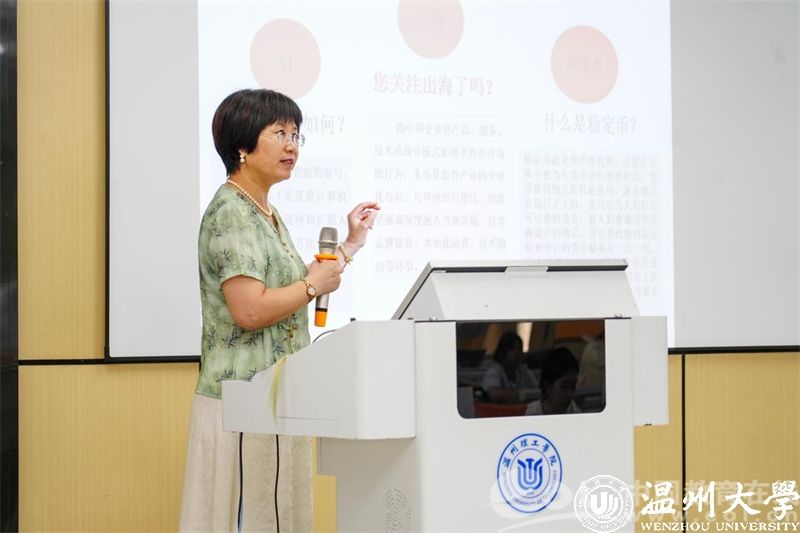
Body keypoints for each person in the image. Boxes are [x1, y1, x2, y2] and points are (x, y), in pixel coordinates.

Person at [179, 89, 379, 531]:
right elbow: (250, 311)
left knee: (279, 516)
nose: (292, 146)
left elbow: (292, 288)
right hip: (241, 403)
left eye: (296, 135)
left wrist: (349, 246)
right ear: (242, 146)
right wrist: (312, 285)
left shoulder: (264, 211)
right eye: (280, 133)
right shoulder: (231, 213)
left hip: (273, 400)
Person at [481, 332, 539, 404]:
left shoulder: (523, 370)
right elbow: (494, 395)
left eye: (519, 349)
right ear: (501, 354)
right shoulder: (493, 371)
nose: (517, 353)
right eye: (512, 349)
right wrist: (522, 393)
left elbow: (539, 390)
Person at [525, 347, 582, 415]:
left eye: (573, 386)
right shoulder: (533, 413)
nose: (570, 394)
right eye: (564, 387)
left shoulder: (574, 411)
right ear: (548, 387)